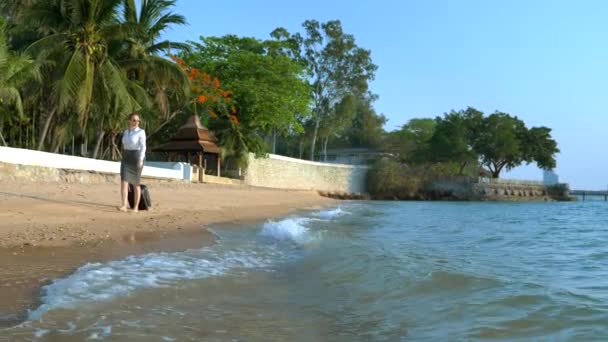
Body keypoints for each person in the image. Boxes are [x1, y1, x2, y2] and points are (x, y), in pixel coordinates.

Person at [118, 112, 146, 212]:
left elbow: (143, 147)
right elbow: (124, 145)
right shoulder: (126, 132)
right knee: (124, 181)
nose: (136, 122)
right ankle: (124, 205)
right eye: (134, 120)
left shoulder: (141, 132)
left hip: (136, 156)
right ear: (129, 121)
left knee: (135, 183)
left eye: (138, 120)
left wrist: (140, 160)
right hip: (126, 157)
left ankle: (136, 207)